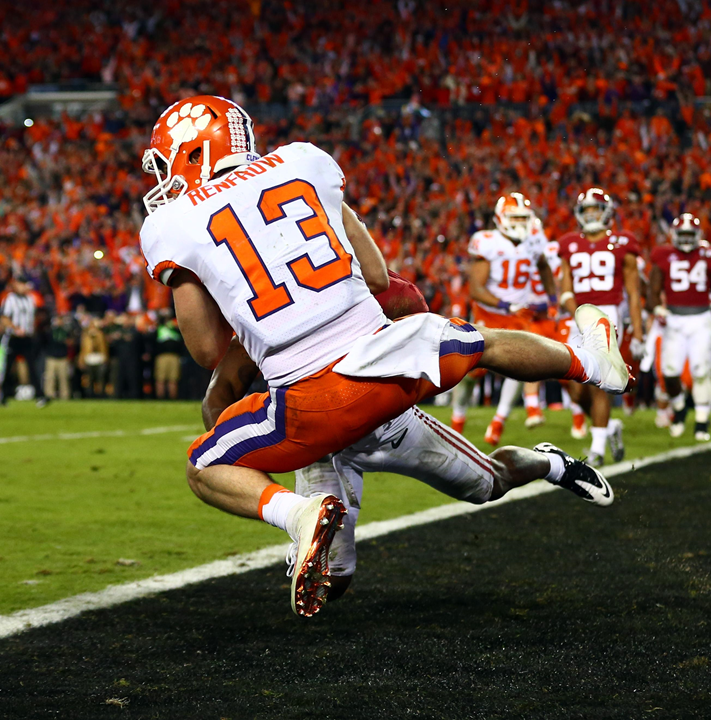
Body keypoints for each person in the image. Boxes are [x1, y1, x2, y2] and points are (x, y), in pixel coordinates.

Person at [140, 96, 632, 617]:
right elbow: (378, 279)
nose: (164, 181)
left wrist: (248, 449)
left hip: (322, 412)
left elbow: (207, 356)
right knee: (479, 345)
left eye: (167, 164)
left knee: (485, 483)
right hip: (368, 381)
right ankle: (589, 360)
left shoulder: (176, 225)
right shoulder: (302, 161)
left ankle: (546, 461)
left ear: (194, 153)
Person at [450, 193, 557, 444]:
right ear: (501, 219)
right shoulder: (488, 242)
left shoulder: (533, 241)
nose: (520, 223)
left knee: (518, 368)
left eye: (523, 218)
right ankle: (457, 421)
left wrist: (552, 299)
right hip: (488, 316)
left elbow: (543, 267)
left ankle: (498, 422)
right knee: (468, 374)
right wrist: (505, 304)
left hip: (517, 317)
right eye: (514, 217)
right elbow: (475, 289)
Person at [558, 188, 644, 467]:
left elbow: (633, 292)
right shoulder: (569, 243)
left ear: (607, 212)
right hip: (579, 316)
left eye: (596, 208)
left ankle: (596, 450)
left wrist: (639, 332)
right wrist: (581, 314)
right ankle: (608, 428)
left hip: (608, 314)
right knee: (576, 389)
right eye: (587, 210)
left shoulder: (623, 242)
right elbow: (566, 290)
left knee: (598, 385)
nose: (592, 214)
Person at [649, 213, 711, 441]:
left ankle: (702, 421)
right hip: (674, 319)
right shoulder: (663, 255)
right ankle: (679, 408)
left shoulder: (706, 253)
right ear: (674, 235)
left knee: (701, 371)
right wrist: (655, 306)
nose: (685, 239)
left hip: (702, 318)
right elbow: (654, 287)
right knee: (670, 372)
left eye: (689, 234)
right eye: (682, 234)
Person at [0, 274, 49, 407]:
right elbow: (4, 318)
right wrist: (16, 329)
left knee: (32, 367)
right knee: (7, 367)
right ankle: (2, 394)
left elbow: (33, 317)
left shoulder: (30, 299)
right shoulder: (10, 299)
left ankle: (40, 395)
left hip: (27, 338)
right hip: (13, 338)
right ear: (17, 285)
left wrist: (30, 329)